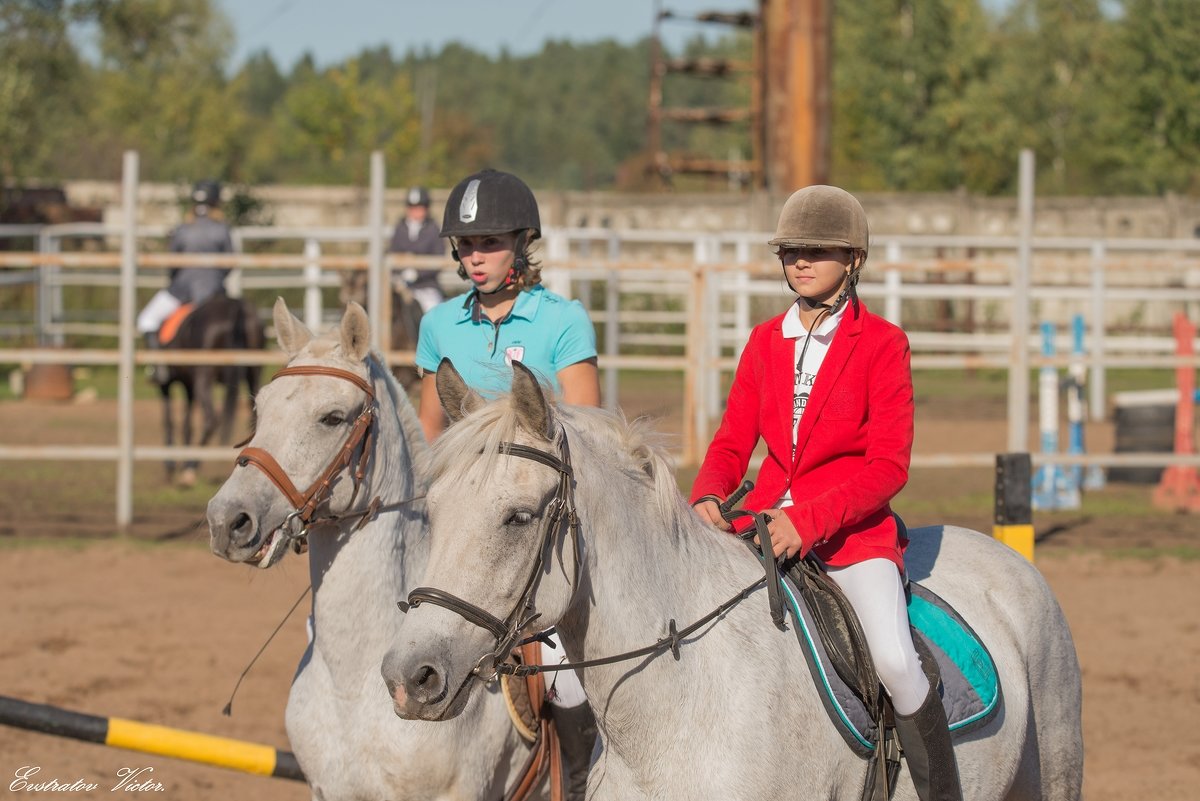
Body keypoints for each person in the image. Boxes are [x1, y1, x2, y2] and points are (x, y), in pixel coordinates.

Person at [689, 185, 961, 801]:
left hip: (849, 536)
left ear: (854, 259)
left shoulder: (885, 344)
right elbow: (733, 442)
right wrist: (708, 494)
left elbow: (889, 466)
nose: (800, 262)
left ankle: (941, 791)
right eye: (790, 251)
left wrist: (807, 523)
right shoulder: (764, 341)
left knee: (894, 660)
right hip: (758, 527)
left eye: (816, 250)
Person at [414, 168, 600, 800]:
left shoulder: (563, 321)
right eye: (465, 246)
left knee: (570, 682)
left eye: (488, 243)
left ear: (523, 244)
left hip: (540, 524)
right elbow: (429, 441)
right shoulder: (438, 327)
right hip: (463, 521)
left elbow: (590, 434)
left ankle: (578, 777)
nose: (475, 258)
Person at [136, 179, 234, 382]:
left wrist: (176, 280)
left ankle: (159, 368)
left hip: (182, 290)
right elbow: (230, 263)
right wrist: (215, 280)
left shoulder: (182, 229)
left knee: (146, 319)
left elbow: (173, 264)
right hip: (215, 292)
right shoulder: (222, 228)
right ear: (217, 201)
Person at [389, 185, 446, 314]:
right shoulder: (400, 228)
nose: (416, 212)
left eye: (419, 208)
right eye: (412, 208)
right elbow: (392, 252)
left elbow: (438, 259)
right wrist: (400, 273)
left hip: (426, 286)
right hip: (401, 284)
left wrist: (417, 273)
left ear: (426, 209)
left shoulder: (433, 229)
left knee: (433, 310)